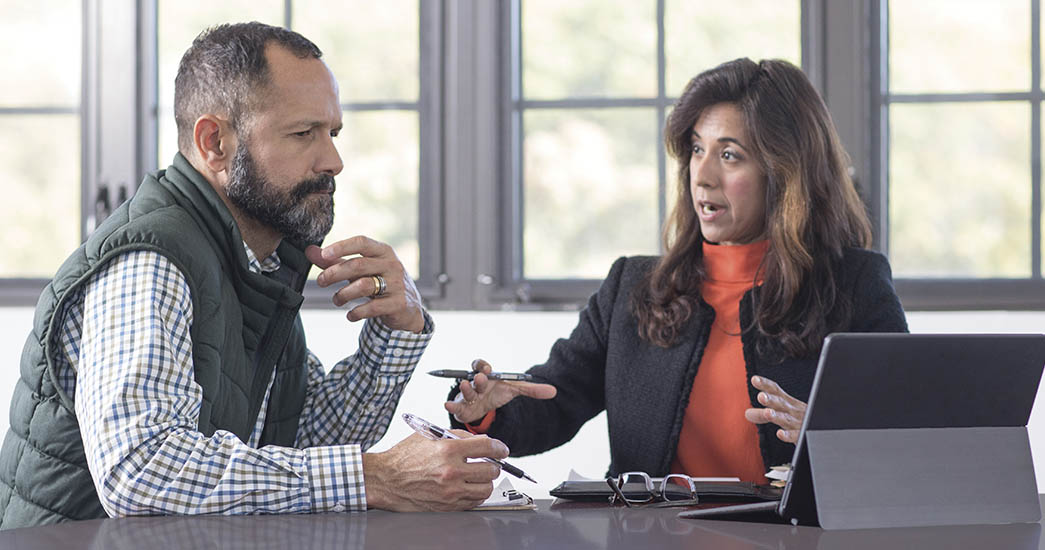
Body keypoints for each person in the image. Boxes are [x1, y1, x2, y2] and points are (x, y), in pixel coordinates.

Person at [0, 22, 507, 529]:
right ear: (214, 142)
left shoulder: (258, 260)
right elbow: (143, 470)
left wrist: (395, 334)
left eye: (331, 133)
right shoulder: (150, 258)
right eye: (303, 133)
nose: (334, 160)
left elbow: (305, 439)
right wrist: (375, 477)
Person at [445, 58, 908, 483]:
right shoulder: (633, 286)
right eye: (696, 149)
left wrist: (825, 432)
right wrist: (485, 411)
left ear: (785, 174)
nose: (702, 175)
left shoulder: (855, 286)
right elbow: (554, 400)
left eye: (729, 155)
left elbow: (909, 434)